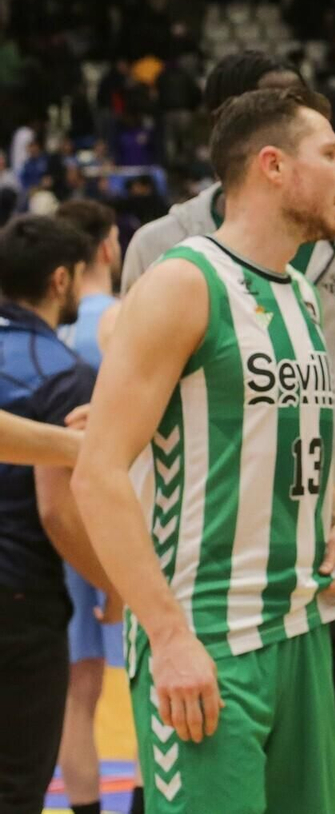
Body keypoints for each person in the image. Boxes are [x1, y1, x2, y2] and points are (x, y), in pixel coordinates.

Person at [122, 50, 335, 814]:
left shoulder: (305, 287)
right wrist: (164, 629)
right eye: (330, 151)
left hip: (312, 604)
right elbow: (108, 460)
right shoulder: (174, 268)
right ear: (263, 157)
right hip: (212, 612)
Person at [0, 216, 107, 814]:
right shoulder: (63, 375)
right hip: (19, 602)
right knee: (16, 787)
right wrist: (114, 584)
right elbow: (59, 514)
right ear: (61, 279)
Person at [52, 200, 131, 814]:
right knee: (153, 669)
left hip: (54, 522)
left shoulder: (46, 325)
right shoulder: (121, 320)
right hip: (117, 518)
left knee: (76, 689)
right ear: (107, 247)